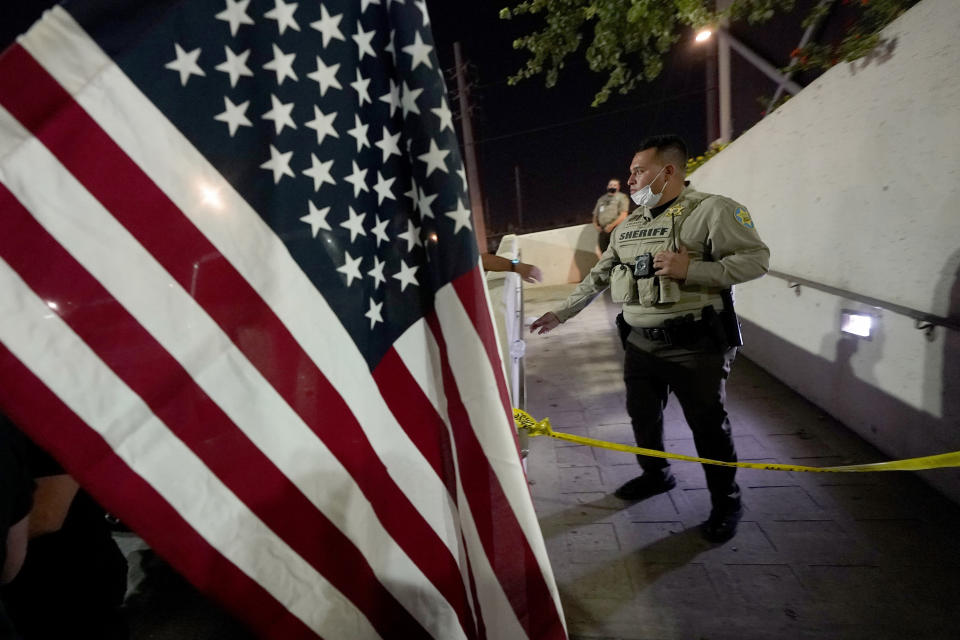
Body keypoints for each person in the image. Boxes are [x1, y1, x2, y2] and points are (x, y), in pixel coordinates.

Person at [530, 134, 769, 543]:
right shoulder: (629, 228)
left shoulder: (713, 210)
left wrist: (691, 270)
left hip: (696, 344)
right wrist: (562, 312)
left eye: (639, 171)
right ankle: (657, 475)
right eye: (631, 172)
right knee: (643, 416)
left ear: (669, 170)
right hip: (639, 344)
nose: (632, 179)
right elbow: (599, 275)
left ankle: (727, 501)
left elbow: (755, 260)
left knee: (708, 427)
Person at [592, 178, 631, 253]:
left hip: (616, 230)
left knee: (617, 252)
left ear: (618, 187)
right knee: (604, 253)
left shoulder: (622, 197)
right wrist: (596, 226)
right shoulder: (601, 199)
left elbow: (623, 215)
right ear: (607, 187)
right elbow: (595, 215)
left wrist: (611, 226)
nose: (612, 186)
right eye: (611, 185)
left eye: (615, 185)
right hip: (603, 231)